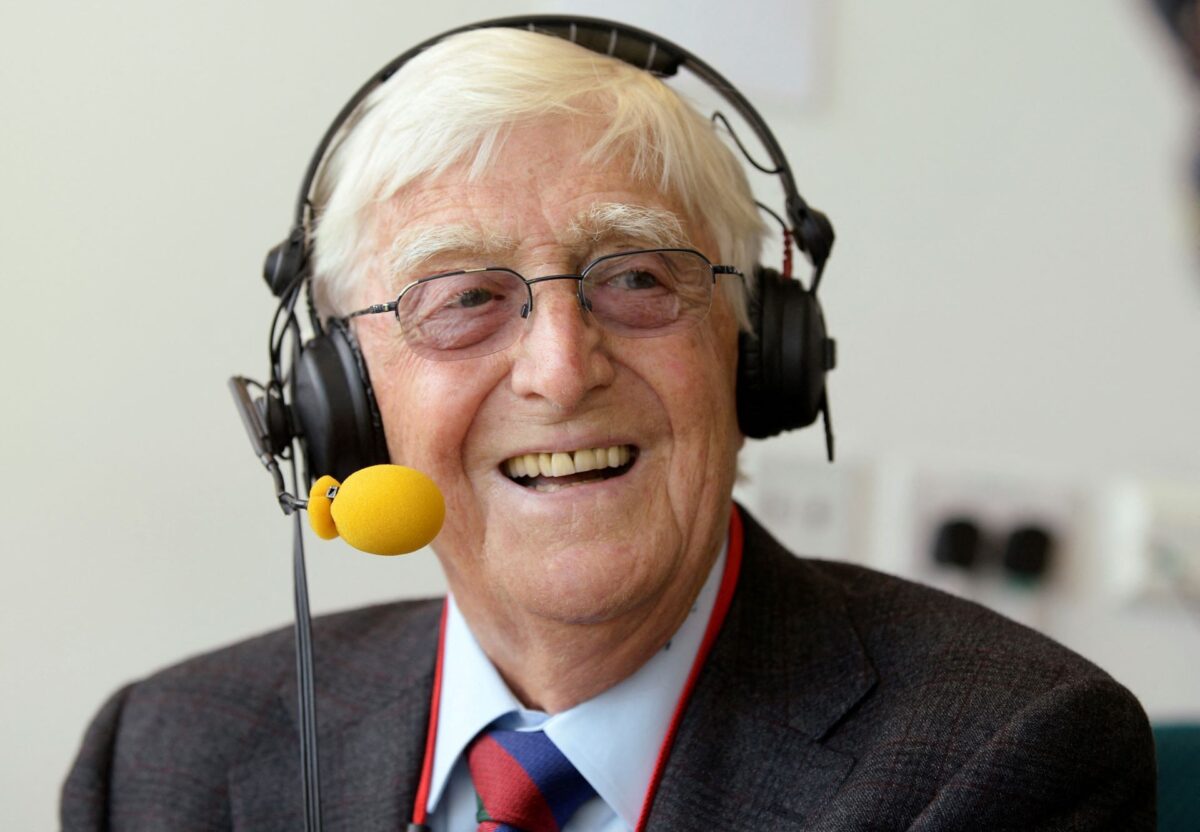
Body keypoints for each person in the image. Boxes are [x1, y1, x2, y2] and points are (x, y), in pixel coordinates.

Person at [62, 21, 1156, 831]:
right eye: (464, 298)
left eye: (636, 277)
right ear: (341, 398)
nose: (560, 368)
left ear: (753, 351)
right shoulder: (164, 759)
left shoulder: (1002, 756)